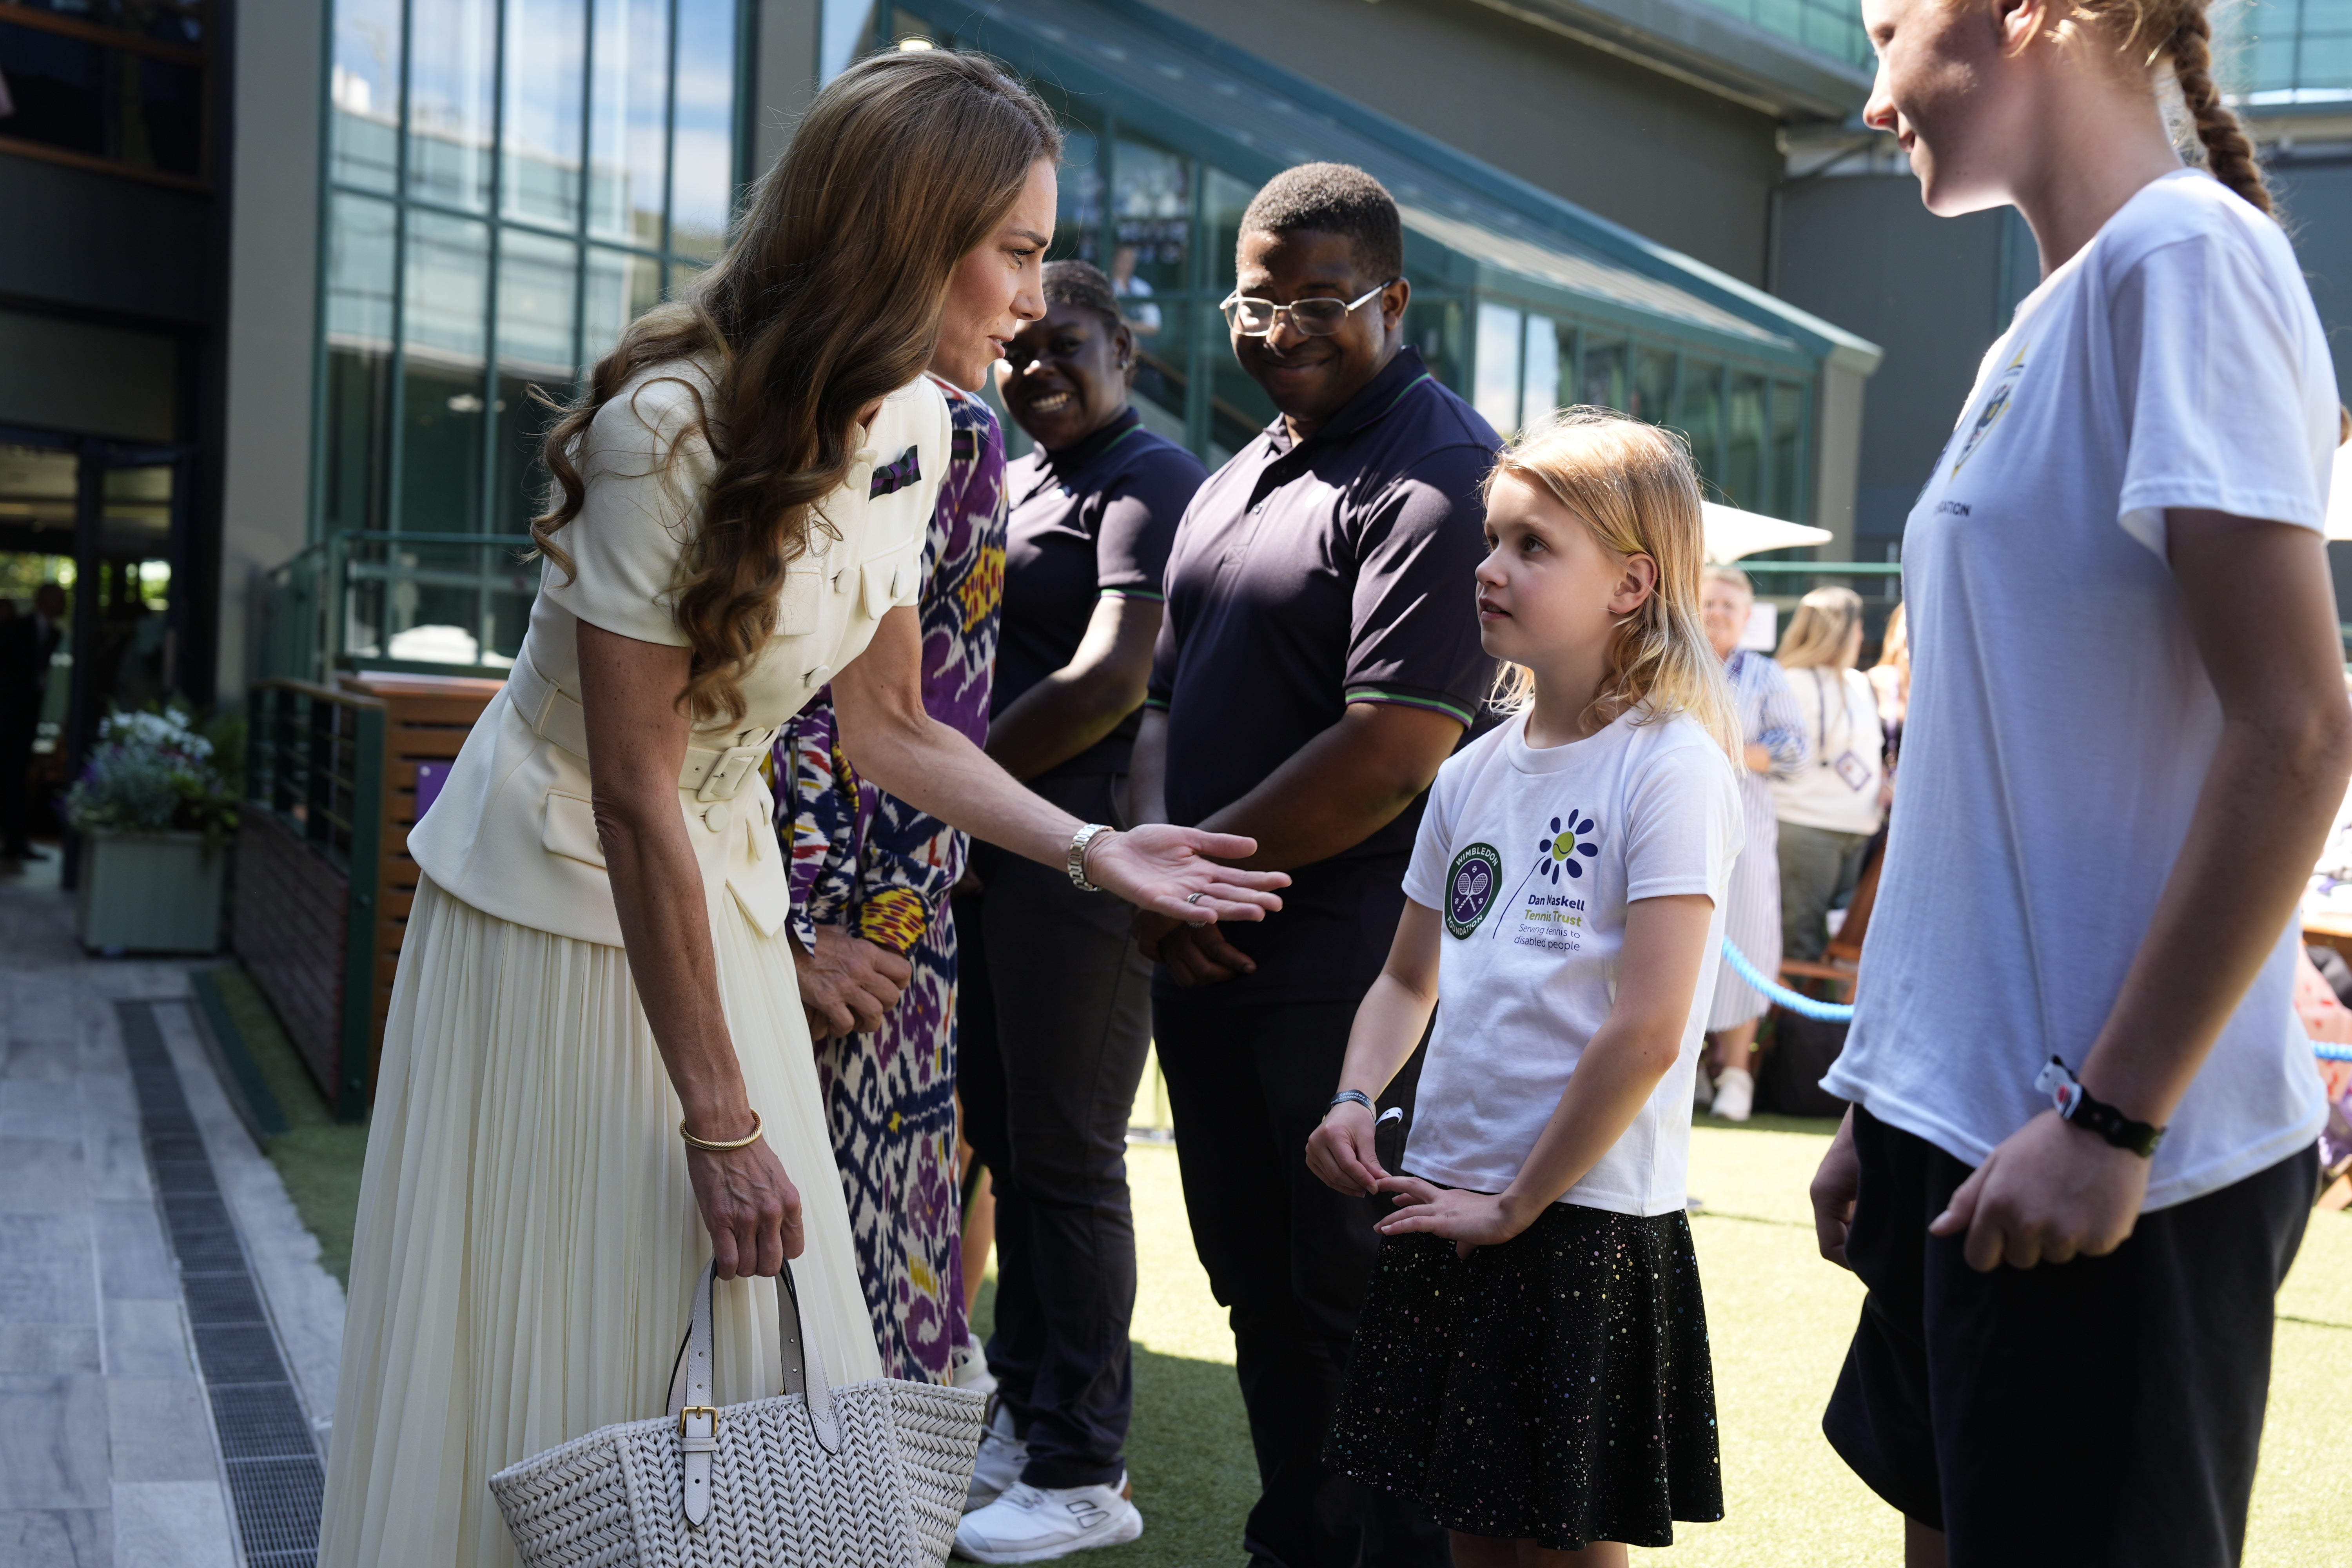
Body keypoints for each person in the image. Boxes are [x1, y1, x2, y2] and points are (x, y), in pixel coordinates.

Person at [318, 53, 1288, 1568]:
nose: (1032, 300)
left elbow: (893, 726)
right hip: (555, 911)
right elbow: (637, 791)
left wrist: (1095, 846)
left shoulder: (920, 430)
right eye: (1017, 251)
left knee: (777, 1346)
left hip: (733, 901)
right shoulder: (665, 427)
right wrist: (720, 1121)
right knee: (583, 1333)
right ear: (908, 235)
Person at [1809, 2, 2347, 1564]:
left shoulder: (2183, 254)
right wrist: (1885, 1093)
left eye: (1891, 29)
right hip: (1971, 1137)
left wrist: (2114, 1119)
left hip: (2112, 1164)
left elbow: (2301, 726)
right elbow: (1992, 764)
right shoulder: (2042, 316)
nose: (1870, 98)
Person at [1131, 161, 1498, 1568]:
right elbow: (1159, 705)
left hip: (1345, 966)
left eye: (1318, 300)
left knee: (1358, 1296)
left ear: (1391, 301)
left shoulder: (1437, 470)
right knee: (1253, 1290)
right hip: (1204, 956)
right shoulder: (1234, 475)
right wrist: (1162, 877)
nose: (1279, 325)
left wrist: (1190, 876)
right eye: (1253, 297)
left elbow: (1393, 750)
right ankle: (1295, 1541)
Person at [1308, 410, 1739, 1566]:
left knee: (1555, 1551)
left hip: (1575, 1222)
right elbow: (1406, 977)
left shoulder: (1670, 767)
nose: (1489, 567)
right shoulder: (1472, 770)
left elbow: (1646, 1030)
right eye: (1491, 539)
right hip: (1448, 1196)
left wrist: (1514, 1204)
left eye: (1533, 545)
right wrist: (1355, 1095)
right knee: (1470, 1543)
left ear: (1630, 583)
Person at [952, 260, 1208, 1561]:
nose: (1035, 364)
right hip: (1007, 850)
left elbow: (1113, 679)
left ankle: (1083, 1465)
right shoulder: (1022, 479)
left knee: (1064, 1150)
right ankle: (1022, 1407)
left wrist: (968, 784)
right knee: (1007, 1140)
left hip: (1086, 852)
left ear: (1124, 346)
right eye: (1018, 349)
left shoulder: (1148, 479)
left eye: (1065, 342)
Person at [771, 345, 1007, 1387]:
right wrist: (772, 935)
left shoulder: (957, 432)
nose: (1030, 302)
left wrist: (885, 937)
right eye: (1013, 252)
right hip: (707, 907)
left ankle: (865, 1521)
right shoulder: (741, 396)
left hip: (874, 940)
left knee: (870, 1259)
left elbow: (945, 700)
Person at [1697, 566, 1807, 1122]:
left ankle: (1735, 1073)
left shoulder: (1765, 674)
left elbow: (1793, 750)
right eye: (1709, 603)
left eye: (1728, 606)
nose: (1717, 614)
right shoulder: (1675, 662)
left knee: (1746, 942)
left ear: (1746, 617)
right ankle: (1687, 1069)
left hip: (1746, 832)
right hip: (1677, 826)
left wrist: (1727, 749)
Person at [1771, 586, 1885, 965]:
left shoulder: (1859, 682)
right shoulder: (1787, 680)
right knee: (1800, 937)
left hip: (1859, 829)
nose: (1861, 636)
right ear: (1839, 629)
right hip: (1806, 827)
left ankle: (1820, 1021)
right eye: (1857, 626)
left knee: (1839, 941)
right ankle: (1793, 1025)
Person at [0, 582, 65, 860]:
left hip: (26, 720)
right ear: (42, 600)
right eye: (57, 599)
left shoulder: (54, 634)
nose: (62, 604)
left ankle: (16, 842)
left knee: (18, 779)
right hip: (7, 718)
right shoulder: (16, 629)